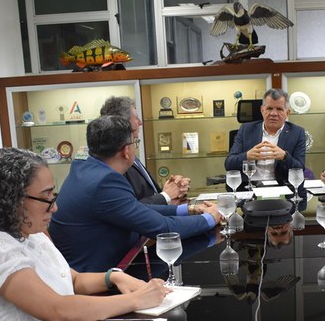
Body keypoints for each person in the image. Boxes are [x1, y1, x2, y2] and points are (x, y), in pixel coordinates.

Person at [0, 148, 169, 321]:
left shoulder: (30, 232)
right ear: (12, 200)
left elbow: (71, 279)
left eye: (53, 195)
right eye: (46, 198)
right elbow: (58, 310)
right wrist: (135, 300)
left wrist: (113, 278)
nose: (54, 207)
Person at [50, 116, 223, 273]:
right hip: (97, 279)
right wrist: (211, 218)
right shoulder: (105, 182)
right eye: (135, 142)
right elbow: (164, 229)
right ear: (126, 151)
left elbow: (137, 209)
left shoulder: (86, 167)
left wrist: (190, 209)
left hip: (111, 263)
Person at [100, 96, 190, 204]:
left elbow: (146, 196)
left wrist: (169, 191)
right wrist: (166, 195)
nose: (140, 122)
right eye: (136, 118)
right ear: (124, 123)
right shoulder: (116, 159)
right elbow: (131, 209)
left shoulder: (130, 147)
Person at [224, 88, 306, 185]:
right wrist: (247, 156)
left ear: (287, 113)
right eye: (269, 108)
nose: (273, 114)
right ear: (262, 110)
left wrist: (285, 157)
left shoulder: (297, 133)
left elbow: (300, 169)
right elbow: (229, 164)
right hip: (250, 189)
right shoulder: (246, 129)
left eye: (279, 109)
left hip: (282, 189)